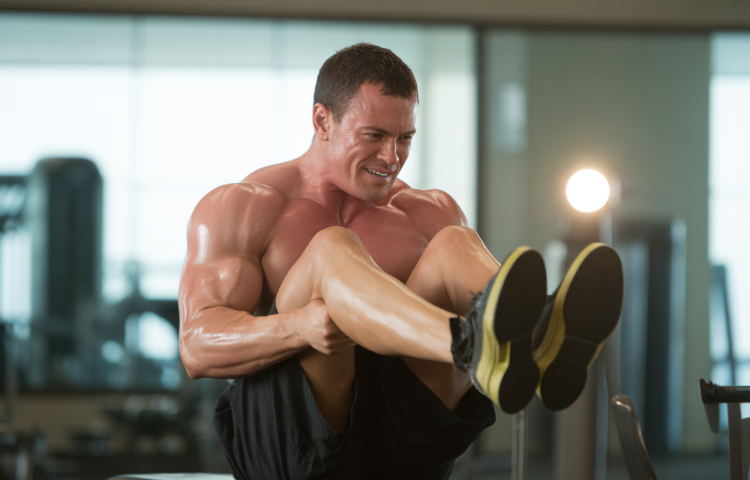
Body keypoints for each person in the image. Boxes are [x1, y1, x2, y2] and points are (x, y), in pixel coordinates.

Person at [178, 43, 623, 480]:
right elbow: (196, 347)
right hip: (294, 449)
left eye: (404, 138)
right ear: (322, 121)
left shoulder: (424, 212)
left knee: (456, 242)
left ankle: (536, 336)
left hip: (401, 449)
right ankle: (473, 343)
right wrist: (298, 327)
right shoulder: (246, 207)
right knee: (334, 248)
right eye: (374, 135)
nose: (392, 158)